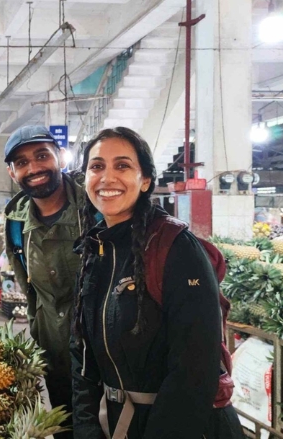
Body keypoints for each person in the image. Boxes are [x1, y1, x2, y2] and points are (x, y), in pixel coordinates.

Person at [71, 127, 242, 438]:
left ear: (145, 180)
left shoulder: (175, 247)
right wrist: (86, 428)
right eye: (97, 166)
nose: (107, 177)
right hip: (119, 423)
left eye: (122, 165)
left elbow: (194, 370)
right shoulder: (95, 250)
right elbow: (81, 352)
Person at [3, 125, 83, 438]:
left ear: (60, 156)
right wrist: (39, 333)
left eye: (41, 156)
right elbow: (29, 288)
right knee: (67, 429)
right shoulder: (15, 222)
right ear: (12, 173)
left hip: (111, 353)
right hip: (56, 353)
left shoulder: (94, 203)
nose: (33, 168)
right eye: (21, 163)